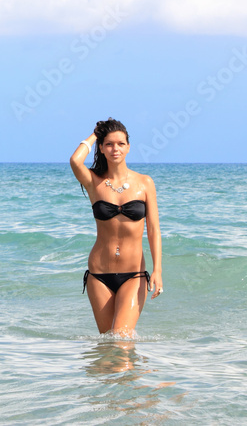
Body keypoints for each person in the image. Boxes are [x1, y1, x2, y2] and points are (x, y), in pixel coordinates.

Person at [70, 117, 163, 335]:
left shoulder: (144, 183)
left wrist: (158, 269)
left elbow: (154, 230)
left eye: (121, 144)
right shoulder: (94, 182)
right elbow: (75, 161)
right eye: (109, 144)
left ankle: (138, 369)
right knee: (107, 345)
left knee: (121, 339)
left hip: (134, 275)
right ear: (101, 148)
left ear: (129, 147)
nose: (115, 149)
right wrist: (96, 134)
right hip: (98, 275)